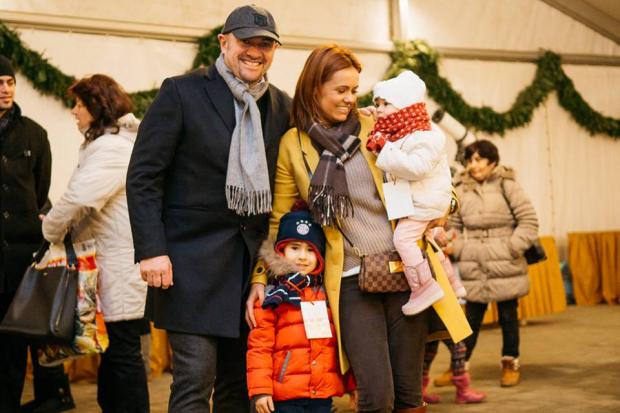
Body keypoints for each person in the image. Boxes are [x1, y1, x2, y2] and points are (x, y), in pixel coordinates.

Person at [246, 44, 466, 413]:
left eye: (354, 90)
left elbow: (432, 174)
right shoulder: (293, 145)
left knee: (410, 394)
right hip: (348, 278)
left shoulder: (376, 127)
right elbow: (278, 220)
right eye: (341, 90)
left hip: (405, 269)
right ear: (315, 88)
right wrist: (261, 276)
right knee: (376, 395)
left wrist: (444, 211)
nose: (350, 99)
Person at [125, 4, 292, 412]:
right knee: (195, 379)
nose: (256, 52)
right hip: (189, 267)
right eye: (246, 41)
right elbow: (144, 176)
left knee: (241, 385)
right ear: (224, 42)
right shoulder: (181, 92)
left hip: (251, 271)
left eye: (266, 44)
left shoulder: (282, 106)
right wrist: (151, 250)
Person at [42, 74, 149, 412]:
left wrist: (50, 230)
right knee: (115, 355)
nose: (74, 111)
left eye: (79, 104)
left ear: (97, 107)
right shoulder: (105, 144)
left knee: (123, 355)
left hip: (119, 268)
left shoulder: (111, 147)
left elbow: (79, 199)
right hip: (110, 264)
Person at [0, 55, 75, 413]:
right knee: (4, 343)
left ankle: (48, 397)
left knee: (26, 332)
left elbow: (40, 191)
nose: (5, 89)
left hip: (25, 253)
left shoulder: (34, 133)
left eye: (9, 82)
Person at [367, 70, 466, 315]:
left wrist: (384, 150)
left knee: (403, 240)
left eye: (386, 104)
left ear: (405, 105)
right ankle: (453, 283)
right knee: (428, 241)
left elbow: (417, 167)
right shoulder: (401, 131)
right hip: (422, 200)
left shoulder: (425, 135)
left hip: (424, 202)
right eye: (377, 103)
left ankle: (423, 287)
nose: (380, 109)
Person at [447, 139, 539, 387]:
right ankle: (460, 367)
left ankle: (510, 362)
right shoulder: (460, 188)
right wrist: (459, 248)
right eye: (470, 160)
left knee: (508, 314)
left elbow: (529, 221)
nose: (473, 165)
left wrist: (511, 248)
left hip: (505, 259)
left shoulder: (508, 185)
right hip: (474, 259)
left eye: (479, 159)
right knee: (471, 317)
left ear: (493, 161)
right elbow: (452, 226)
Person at [247, 201, 347, 413]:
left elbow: (340, 345)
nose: (302, 256)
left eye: (310, 250)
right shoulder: (271, 296)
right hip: (284, 396)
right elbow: (260, 348)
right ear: (280, 250)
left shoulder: (327, 294)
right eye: (295, 248)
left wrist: (352, 385)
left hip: (321, 394)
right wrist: (261, 390)